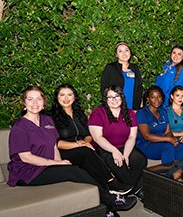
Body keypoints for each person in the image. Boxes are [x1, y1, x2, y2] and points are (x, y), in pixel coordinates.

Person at [8, 86, 137, 217]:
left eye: (38, 99)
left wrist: (60, 162)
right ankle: (111, 200)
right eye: (30, 99)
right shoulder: (20, 126)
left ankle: (106, 208)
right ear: (24, 103)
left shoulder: (46, 120)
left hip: (48, 166)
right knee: (73, 171)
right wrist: (57, 164)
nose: (35, 103)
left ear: (43, 102)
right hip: (27, 171)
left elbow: (53, 145)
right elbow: (26, 158)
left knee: (81, 163)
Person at [49, 84, 133, 195]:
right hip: (63, 152)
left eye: (69, 94)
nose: (66, 98)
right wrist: (79, 145)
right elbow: (55, 143)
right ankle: (111, 182)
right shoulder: (50, 117)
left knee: (99, 153)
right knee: (86, 153)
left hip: (83, 149)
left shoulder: (79, 114)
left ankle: (108, 195)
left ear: (74, 97)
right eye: (62, 95)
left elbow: (88, 135)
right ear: (57, 97)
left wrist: (86, 142)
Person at [88, 85, 147, 199]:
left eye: (116, 96)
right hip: (104, 148)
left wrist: (126, 155)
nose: (114, 100)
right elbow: (97, 138)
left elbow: (132, 137)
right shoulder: (98, 112)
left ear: (122, 97)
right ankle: (135, 189)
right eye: (110, 97)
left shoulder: (130, 113)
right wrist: (114, 151)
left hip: (124, 146)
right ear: (105, 99)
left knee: (140, 159)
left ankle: (126, 190)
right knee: (116, 161)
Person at [136, 86, 183, 163]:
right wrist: (168, 140)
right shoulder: (142, 113)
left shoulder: (163, 112)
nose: (156, 100)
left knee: (180, 146)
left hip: (161, 142)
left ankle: (177, 171)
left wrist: (172, 140)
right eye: (153, 97)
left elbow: (168, 132)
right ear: (148, 99)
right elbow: (146, 136)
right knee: (168, 147)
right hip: (145, 144)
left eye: (159, 97)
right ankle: (167, 173)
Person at [101, 42, 143, 111]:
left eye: (126, 50)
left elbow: (139, 89)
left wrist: (136, 108)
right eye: (120, 51)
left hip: (131, 107)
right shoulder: (111, 68)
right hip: (114, 107)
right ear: (116, 55)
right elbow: (104, 89)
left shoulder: (135, 68)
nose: (124, 53)